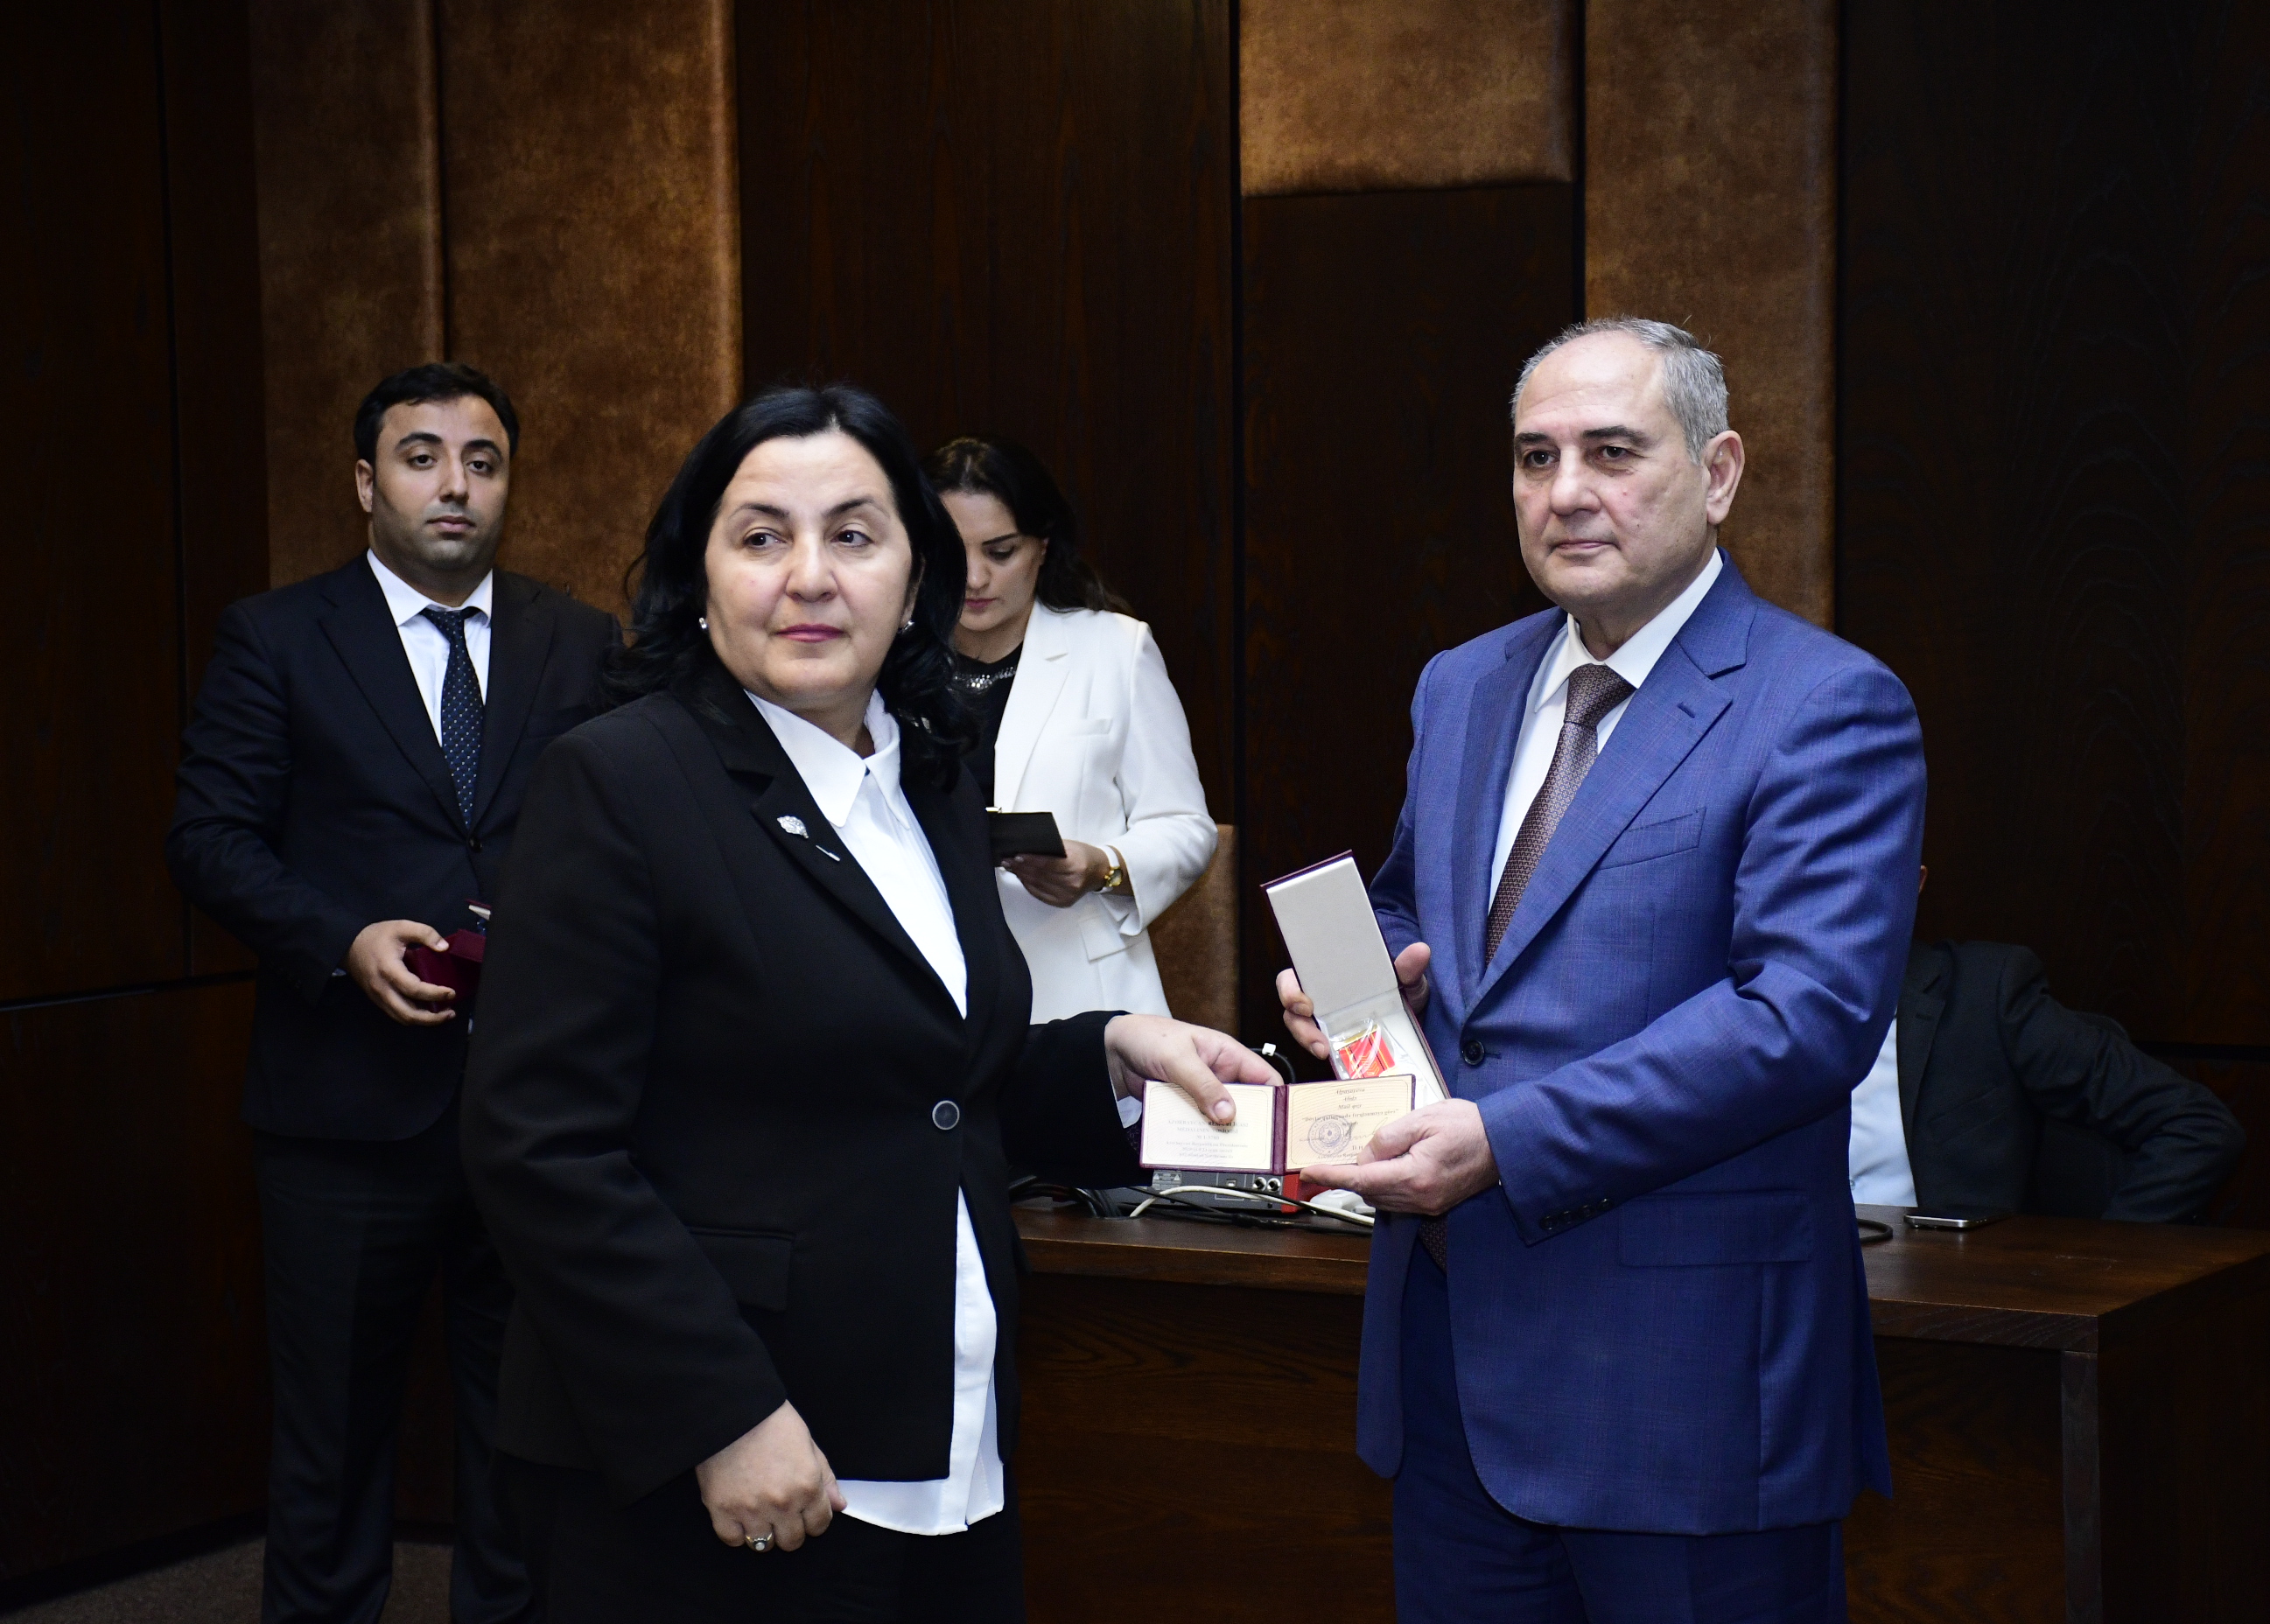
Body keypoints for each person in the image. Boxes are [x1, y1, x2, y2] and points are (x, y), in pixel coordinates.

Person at [459, 384, 1273, 1622]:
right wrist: (721, 1413)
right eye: (761, 535)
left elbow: (922, 1078)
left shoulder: (930, 775)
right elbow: (538, 1148)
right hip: (727, 1462)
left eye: (853, 533)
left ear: (916, 577)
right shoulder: (619, 780)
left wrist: (1109, 1047)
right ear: (699, 573)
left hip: (942, 1430)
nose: (810, 576)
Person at [1279, 318, 1925, 1621]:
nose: (1565, 491)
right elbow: (1416, 896)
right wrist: (1371, 977)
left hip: (1685, 1397)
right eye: (1536, 457)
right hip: (1450, 1380)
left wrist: (1504, 1139)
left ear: (1719, 473)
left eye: (1612, 452)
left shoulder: (1825, 703)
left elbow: (1801, 1018)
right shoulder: (1462, 683)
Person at [165, 362, 620, 1624]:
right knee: (332, 1444)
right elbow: (207, 838)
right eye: (422, 458)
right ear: (368, 483)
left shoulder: (580, 640)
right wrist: (342, 937)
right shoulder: (276, 636)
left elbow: (625, 838)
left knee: (526, 1441)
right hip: (344, 1112)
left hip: (534, 1110)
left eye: (482, 460)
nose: (454, 484)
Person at [922, 435, 1216, 1020]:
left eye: (1001, 552)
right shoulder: (883, 660)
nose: (975, 577)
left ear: (1042, 546)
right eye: (954, 551)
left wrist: (1101, 865)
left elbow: (1185, 828)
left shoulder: (1114, 648)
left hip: (1077, 989)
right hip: (928, 986)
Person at [1849, 933, 2245, 1221]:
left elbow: (2197, 1125)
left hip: (1945, 1295)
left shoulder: (1986, 992)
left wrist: (2104, 1269)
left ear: (1913, 881)